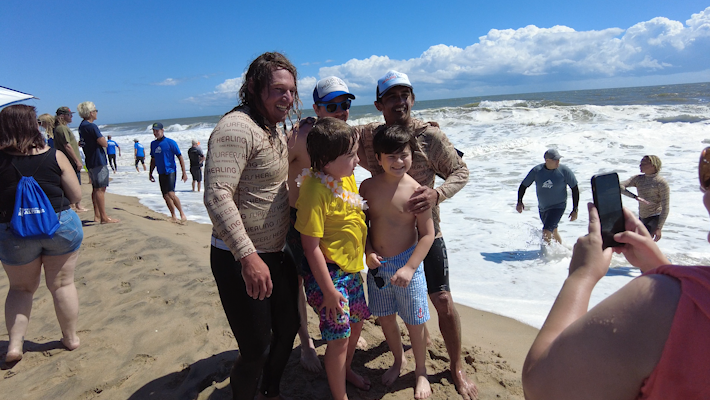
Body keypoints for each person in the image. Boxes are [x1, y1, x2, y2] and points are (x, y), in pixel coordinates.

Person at [522, 147, 710, 398]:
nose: (705, 197)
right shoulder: (683, 295)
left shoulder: (660, 300)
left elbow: (543, 386)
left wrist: (582, 276)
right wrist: (661, 266)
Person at [355, 70, 477, 399]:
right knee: (388, 310)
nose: (400, 101)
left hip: (426, 233)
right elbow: (334, 138)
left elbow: (461, 171)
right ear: (379, 103)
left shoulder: (429, 137)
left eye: (405, 94)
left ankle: (456, 366)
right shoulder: (369, 136)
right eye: (392, 96)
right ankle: (400, 358)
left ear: (413, 98)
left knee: (443, 301)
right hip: (384, 237)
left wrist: (437, 195)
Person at [203, 51, 301, 400]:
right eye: (277, 90)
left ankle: (270, 392)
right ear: (253, 87)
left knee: (288, 327)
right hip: (239, 258)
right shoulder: (235, 129)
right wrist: (247, 256)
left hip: (275, 250)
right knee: (256, 349)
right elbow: (217, 196)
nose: (287, 98)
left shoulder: (270, 127)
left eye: (290, 90)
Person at [286, 76, 363, 373]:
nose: (341, 110)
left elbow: (381, 139)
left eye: (345, 104)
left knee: (340, 273)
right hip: (300, 217)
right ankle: (306, 343)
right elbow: (272, 165)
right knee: (300, 283)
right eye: (333, 105)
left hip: (335, 218)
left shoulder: (348, 134)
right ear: (318, 108)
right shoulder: (299, 135)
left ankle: (340, 329)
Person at [0, 105, 84, 363]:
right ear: (32, 125)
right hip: (59, 225)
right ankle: (69, 338)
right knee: (62, 284)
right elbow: (76, 195)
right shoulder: (54, 155)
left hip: (14, 231)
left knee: (21, 288)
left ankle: (15, 346)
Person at [295, 117, 371, 399]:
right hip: (327, 274)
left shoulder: (345, 175)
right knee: (338, 339)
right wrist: (328, 291)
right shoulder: (315, 190)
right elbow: (310, 247)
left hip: (351, 270)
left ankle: (346, 369)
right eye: (351, 155)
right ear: (326, 161)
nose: (357, 159)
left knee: (357, 322)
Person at [360, 125, 435, 398]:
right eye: (390, 156)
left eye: (403, 155)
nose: (398, 161)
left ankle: (421, 371)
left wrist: (410, 267)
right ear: (378, 158)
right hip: (378, 266)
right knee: (386, 318)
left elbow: (428, 235)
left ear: (411, 155)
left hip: (408, 264)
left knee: (415, 322)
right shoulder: (367, 187)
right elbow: (363, 227)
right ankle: (397, 360)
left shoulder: (418, 192)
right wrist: (368, 252)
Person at [516, 149, 579, 244]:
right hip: (543, 208)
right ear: (547, 160)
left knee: (546, 232)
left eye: (558, 159)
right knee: (553, 231)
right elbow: (523, 186)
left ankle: (546, 256)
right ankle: (563, 253)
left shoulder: (564, 171)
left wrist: (575, 209)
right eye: (555, 160)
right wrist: (520, 202)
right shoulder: (537, 171)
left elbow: (575, 189)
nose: (558, 161)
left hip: (558, 206)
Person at [77, 101, 119, 224]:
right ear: (91, 113)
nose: (96, 113)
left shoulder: (82, 126)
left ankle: (97, 215)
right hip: (98, 160)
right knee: (100, 189)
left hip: (90, 159)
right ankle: (104, 217)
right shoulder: (91, 126)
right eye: (95, 111)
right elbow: (103, 143)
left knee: (95, 188)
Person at [620, 155, 670, 241]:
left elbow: (665, 207)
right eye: (640, 163)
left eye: (643, 163)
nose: (640, 165)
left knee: (639, 243)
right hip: (642, 217)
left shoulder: (661, 183)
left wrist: (659, 228)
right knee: (638, 244)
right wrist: (635, 197)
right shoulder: (638, 179)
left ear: (653, 165)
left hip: (654, 218)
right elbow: (619, 186)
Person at [149, 122, 187, 223]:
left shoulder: (170, 142)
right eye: (154, 131)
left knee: (171, 193)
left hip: (170, 171)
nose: (155, 133)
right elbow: (153, 160)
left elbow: (180, 156)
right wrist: (150, 173)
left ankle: (182, 214)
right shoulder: (153, 144)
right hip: (161, 172)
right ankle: (173, 216)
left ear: (162, 130)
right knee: (165, 196)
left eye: (157, 131)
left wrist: (184, 172)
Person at [53, 106, 87, 212]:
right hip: (70, 160)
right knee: (74, 182)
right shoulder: (62, 128)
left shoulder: (61, 128)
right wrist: (77, 160)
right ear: (62, 116)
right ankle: (75, 205)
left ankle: (76, 205)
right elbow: (66, 145)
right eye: (69, 115)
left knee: (75, 181)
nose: (71, 117)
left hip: (68, 159)